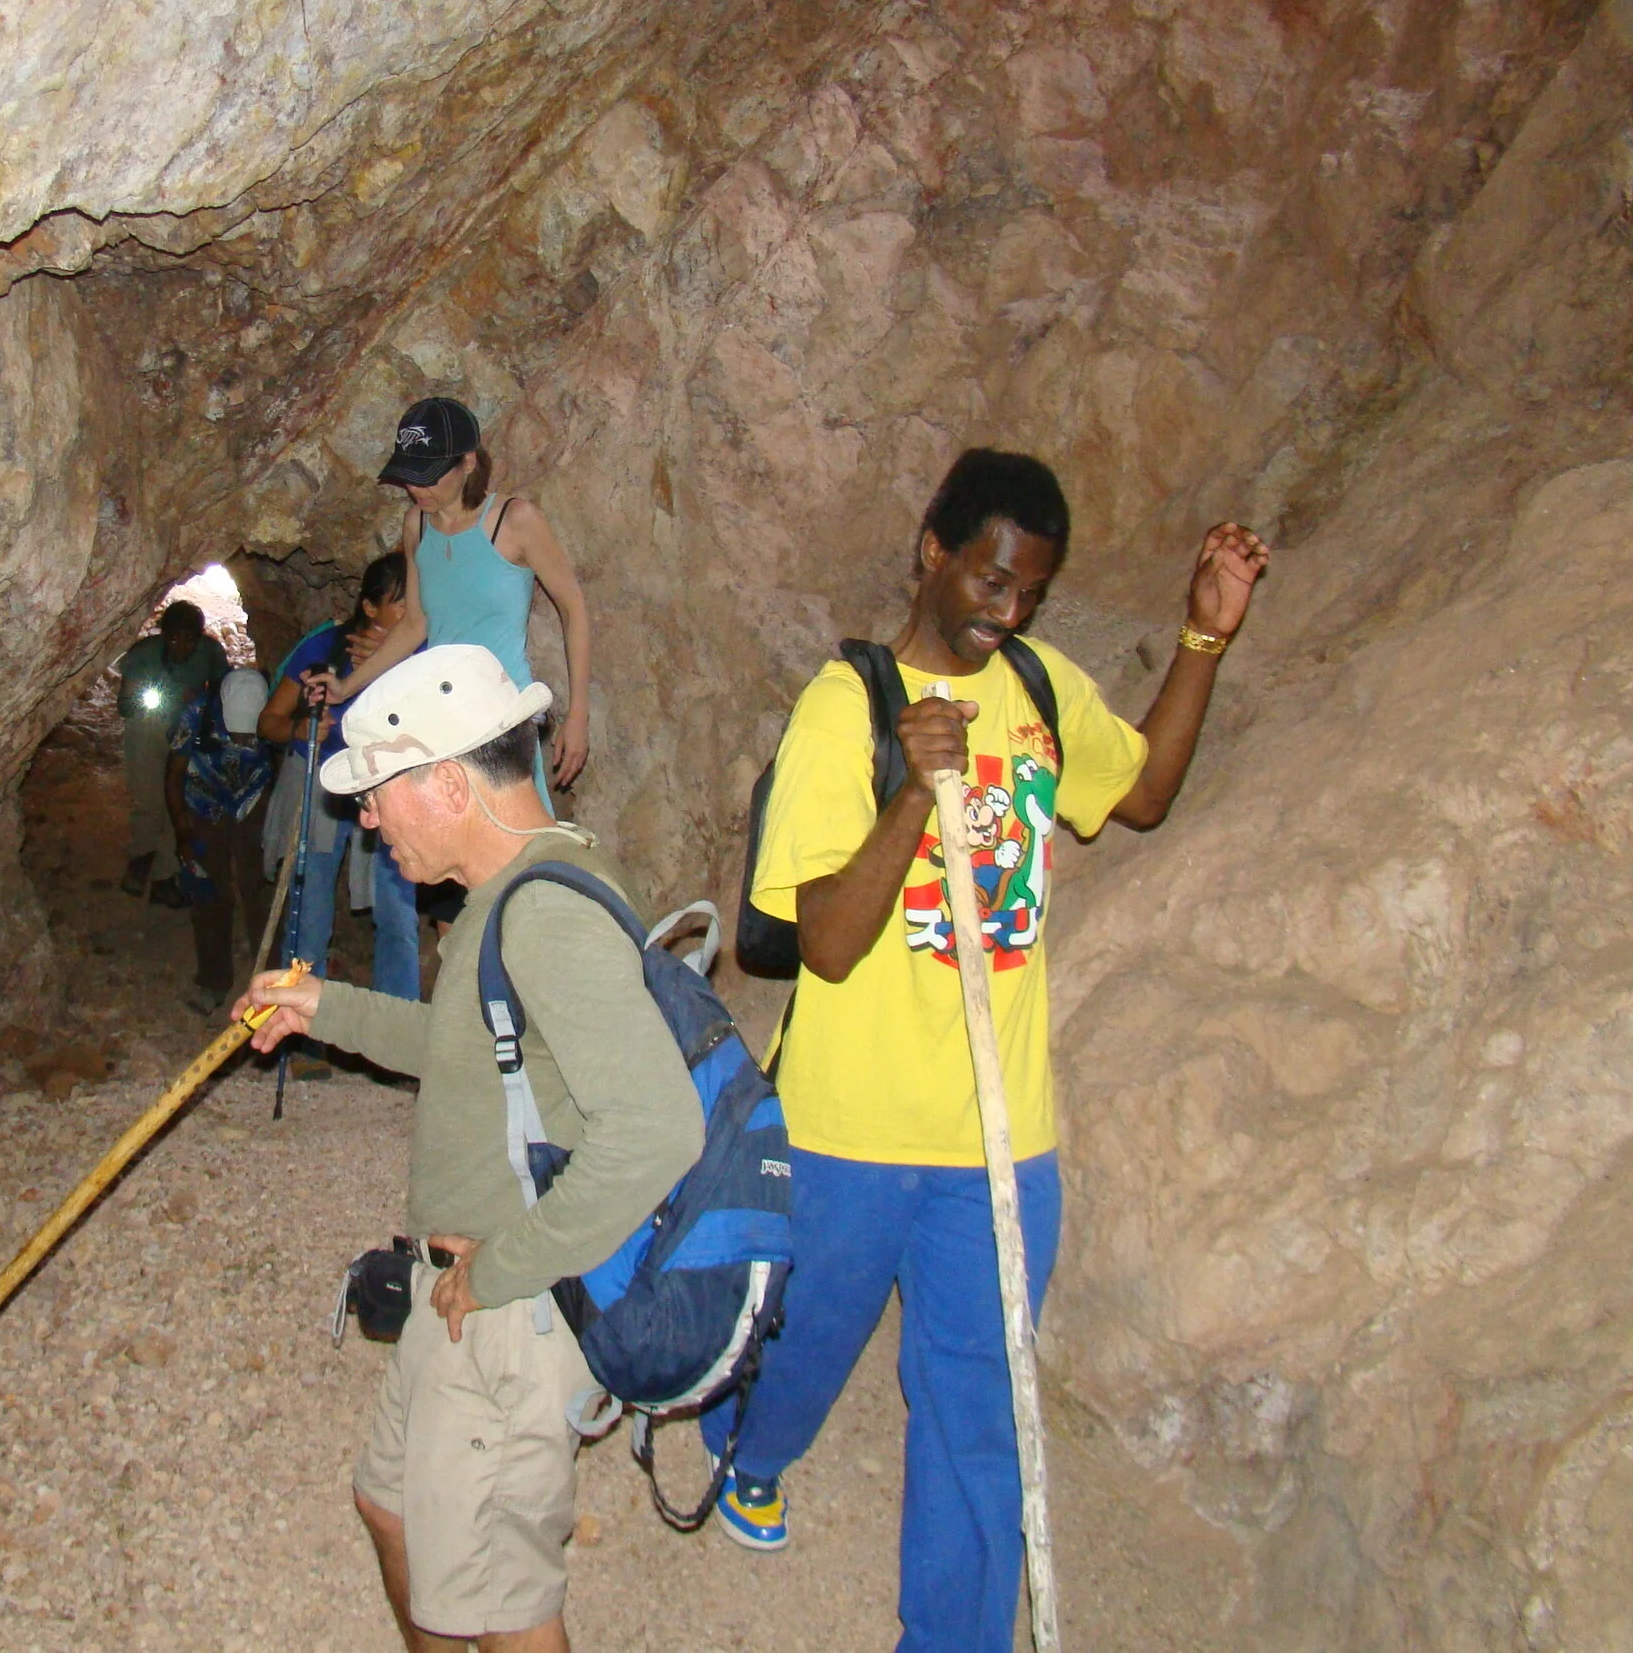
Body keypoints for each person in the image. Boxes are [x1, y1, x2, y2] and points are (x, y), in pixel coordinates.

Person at [702, 449, 1269, 1653]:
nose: (1006, 611)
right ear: (933, 551)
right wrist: (915, 793)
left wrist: (1202, 641)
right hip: (846, 1128)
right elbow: (827, 945)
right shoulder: (845, 708)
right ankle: (746, 1447)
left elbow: (1144, 794)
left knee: (977, 1410)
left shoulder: (1038, 688)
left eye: (1031, 592)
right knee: (803, 1347)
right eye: (991, 580)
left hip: (999, 1141)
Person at [235, 646, 703, 1653]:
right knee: (390, 1507)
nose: (368, 820)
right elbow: (468, 1050)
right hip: (462, 1292)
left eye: (378, 794)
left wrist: (499, 1271)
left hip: (503, 1314)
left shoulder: (544, 916)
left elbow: (658, 1129)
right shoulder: (514, 888)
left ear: (448, 783)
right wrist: (325, 1007)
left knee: (500, 1607)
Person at [315, 398, 594, 794]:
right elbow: (416, 624)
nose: (415, 488)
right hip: (439, 713)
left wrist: (578, 715)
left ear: (468, 461)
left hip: (502, 711)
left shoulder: (515, 520)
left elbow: (572, 607)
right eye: (409, 475)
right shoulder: (416, 524)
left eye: (428, 476)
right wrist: (346, 686)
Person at [259, 552, 420, 995]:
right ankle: (300, 1016)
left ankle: (398, 1017)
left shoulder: (422, 653)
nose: (411, 612)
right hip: (324, 785)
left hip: (385, 785)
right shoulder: (325, 649)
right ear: (369, 607)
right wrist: (299, 729)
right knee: (309, 915)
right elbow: (268, 721)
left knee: (397, 914)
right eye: (400, 603)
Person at [166, 668, 276, 1012]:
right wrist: (182, 831)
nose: (242, 740)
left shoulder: (277, 714)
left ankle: (272, 980)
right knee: (208, 890)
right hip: (205, 804)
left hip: (252, 800)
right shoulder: (196, 714)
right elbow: (174, 775)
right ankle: (213, 980)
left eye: (248, 734)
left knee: (259, 888)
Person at [116, 601, 227, 904]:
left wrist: (202, 705)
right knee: (148, 798)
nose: (183, 646)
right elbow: (124, 705)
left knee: (177, 802)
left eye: (190, 638)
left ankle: (164, 875)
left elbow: (221, 688)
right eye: (175, 638)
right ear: (164, 635)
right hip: (148, 725)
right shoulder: (144, 654)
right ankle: (141, 857)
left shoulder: (209, 652)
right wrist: (154, 696)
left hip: (186, 728)